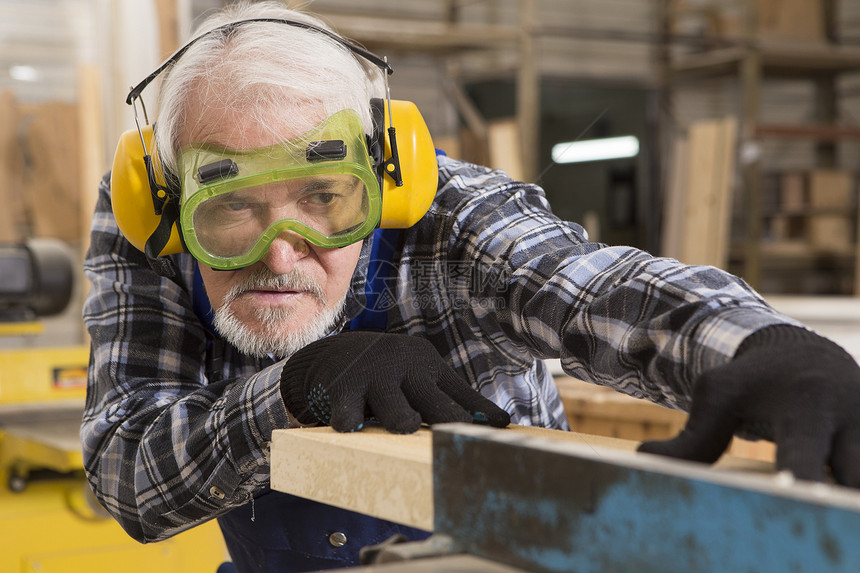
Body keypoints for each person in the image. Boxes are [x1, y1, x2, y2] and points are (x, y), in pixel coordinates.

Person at [82, 2, 860, 572]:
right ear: (164, 198)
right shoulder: (142, 223)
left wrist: (760, 347)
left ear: (387, 177)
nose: (282, 256)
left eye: (324, 201)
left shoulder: (453, 214)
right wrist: (294, 391)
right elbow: (128, 477)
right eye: (232, 211)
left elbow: (597, 290)